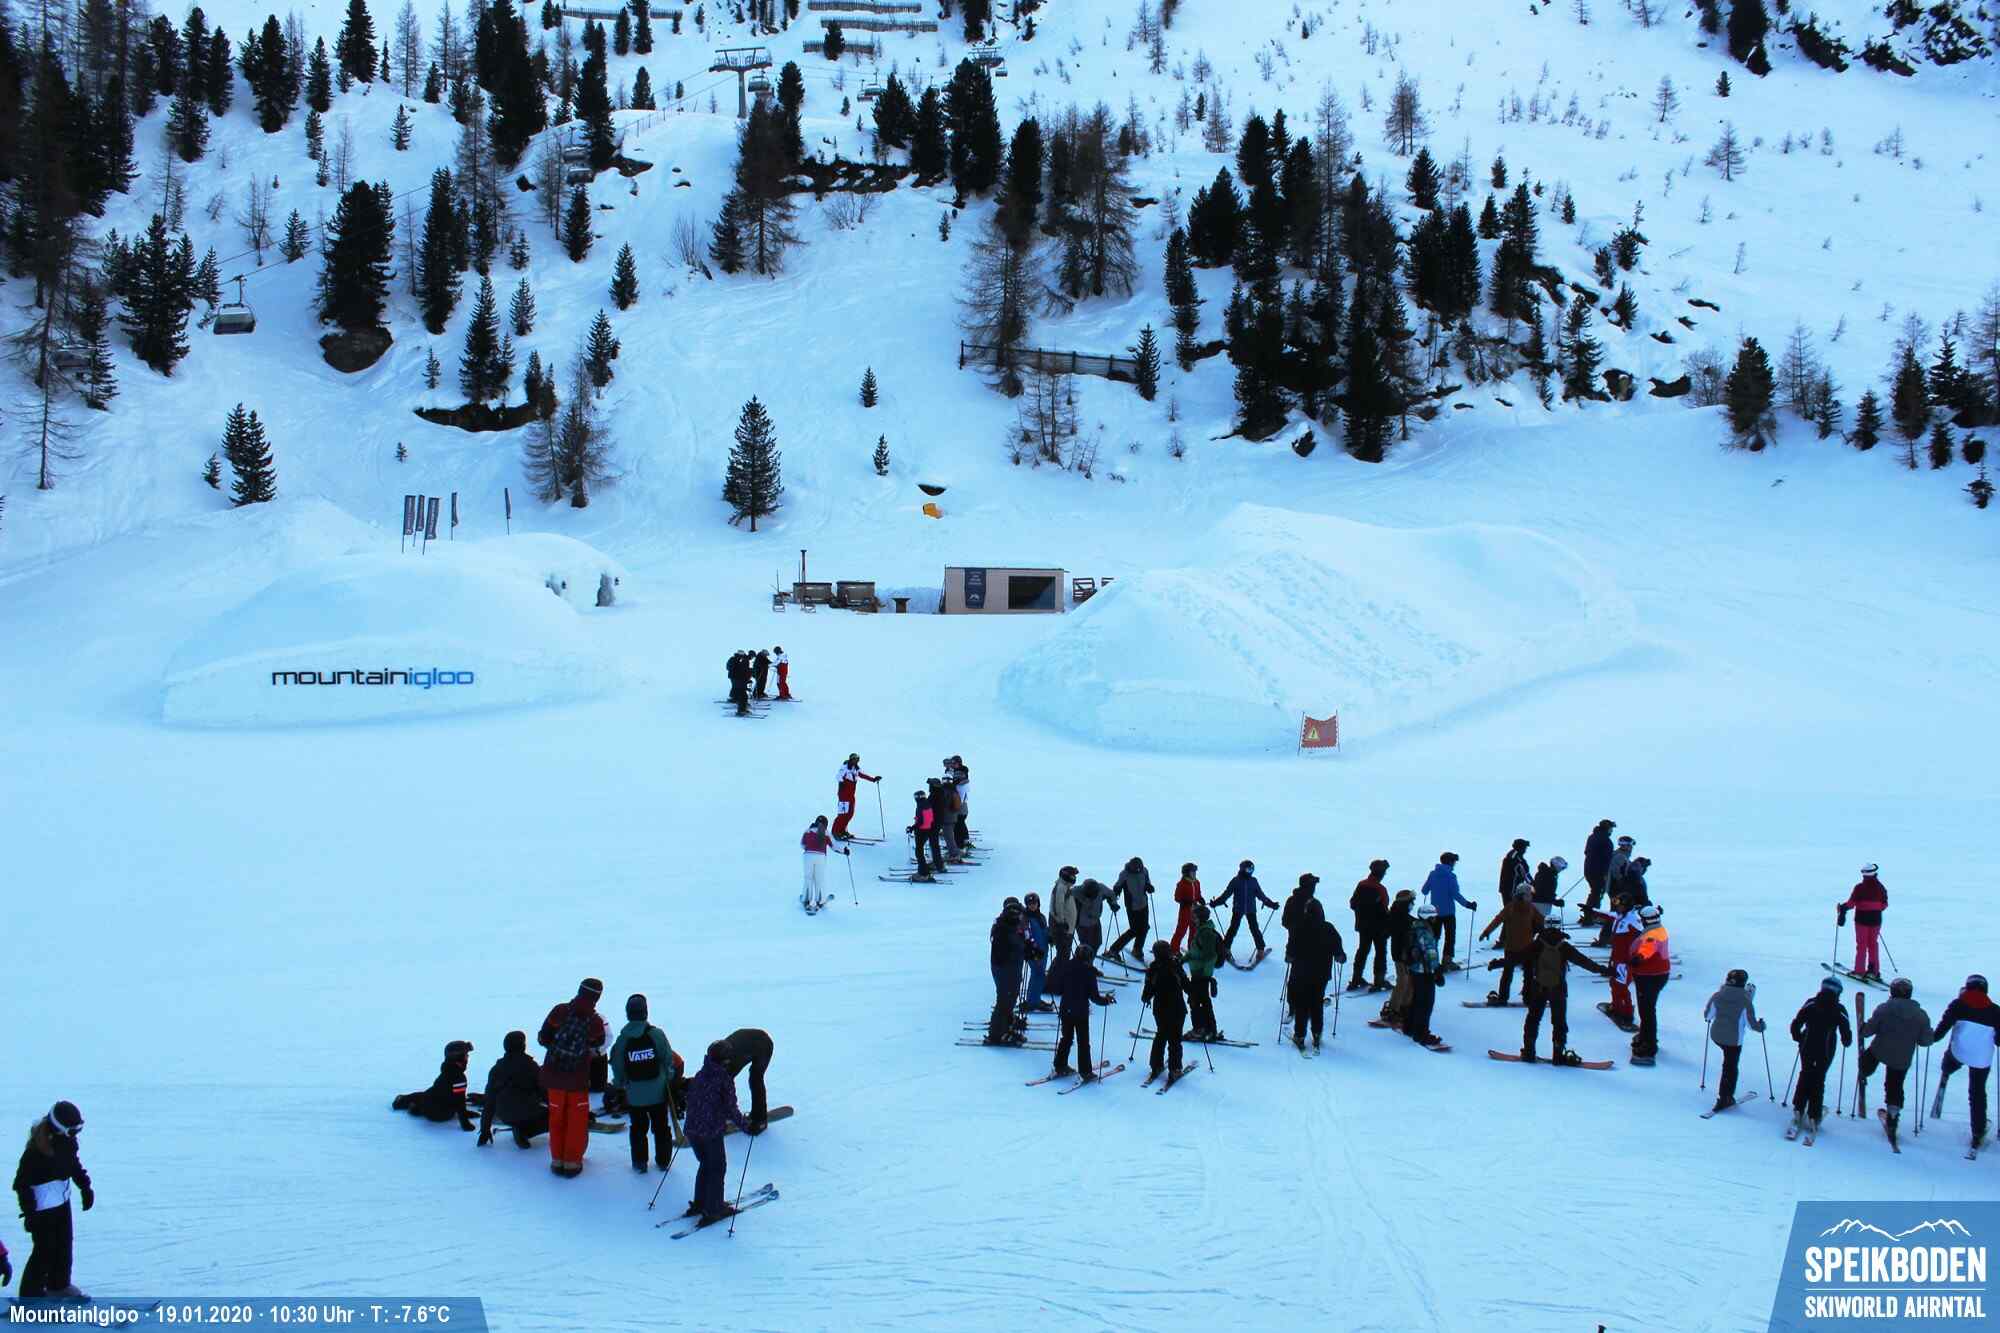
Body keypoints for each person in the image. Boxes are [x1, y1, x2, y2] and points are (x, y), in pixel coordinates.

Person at [12, 1102, 91, 1301]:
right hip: (42, 1210)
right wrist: (30, 1213)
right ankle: (30, 1296)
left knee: (64, 1246)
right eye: (72, 1131)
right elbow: (21, 1185)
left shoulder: (68, 1143)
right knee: (44, 1251)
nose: (75, 1135)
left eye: (78, 1130)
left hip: (62, 1204)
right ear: (58, 1128)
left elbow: (73, 1165)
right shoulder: (34, 1154)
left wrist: (85, 1186)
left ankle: (59, 1285)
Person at [538, 977, 608, 1177]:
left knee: (556, 1119)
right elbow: (599, 1044)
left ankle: (557, 1160)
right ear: (597, 998)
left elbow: (543, 1037)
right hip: (577, 1080)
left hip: (553, 1078)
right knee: (576, 1122)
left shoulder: (560, 1011)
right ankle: (571, 1163)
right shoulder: (595, 1021)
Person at [682, 1042, 755, 1225]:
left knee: (705, 1164)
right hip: (710, 1131)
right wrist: (746, 1126)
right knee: (716, 1167)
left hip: (692, 1129)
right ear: (725, 1060)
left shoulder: (700, 1074)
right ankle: (713, 1209)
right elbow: (731, 1109)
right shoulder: (723, 1079)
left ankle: (700, 1203)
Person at [610, 995, 682, 1173]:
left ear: (628, 1014)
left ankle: (640, 1162)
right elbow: (668, 1059)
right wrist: (667, 1078)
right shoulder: (656, 1034)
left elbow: (617, 1065)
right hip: (658, 1093)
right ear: (645, 1012)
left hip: (635, 1095)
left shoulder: (622, 1040)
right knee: (661, 1127)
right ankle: (663, 1160)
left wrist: (620, 1084)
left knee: (638, 1129)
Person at [1519, 925, 1610, 1063]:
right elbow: (1584, 961)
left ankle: (1529, 1052)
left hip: (1539, 987)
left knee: (1533, 1019)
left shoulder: (1537, 945)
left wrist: (1497, 963)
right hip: (1558, 988)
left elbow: (1517, 957)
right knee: (1559, 1022)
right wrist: (1603, 970)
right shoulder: (1564, 946)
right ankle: (1558, 1054)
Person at [1860, 977, 1932, 1143]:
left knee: (1867, 1060)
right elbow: (1925, 1041)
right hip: (1902, 1058)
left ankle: (1864, 1072)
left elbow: (1868, 1030)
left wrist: (1863, 1028)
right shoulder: (1921, 1015)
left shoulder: (1884, 1009)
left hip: (1880, 1050)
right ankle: (1893, 1114)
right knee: (1895, 1085)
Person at [1931, 974, 1997, 1150]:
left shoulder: (1958, 1004)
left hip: (1959, 1053)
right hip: (1982, 1059)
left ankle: (1946, 1071)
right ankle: (1978, 1131)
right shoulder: (1995, 1010)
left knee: (1951, 1059)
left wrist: (1930, 1037)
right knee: (1977, 1091)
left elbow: (1942, 1030)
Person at [1789, 977, 1853, 1138]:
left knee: (1805, 1073)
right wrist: (1846, 1040)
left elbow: (1796, 1022)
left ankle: (1798, 1107)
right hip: (1826, 1048)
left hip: (1807, 1045)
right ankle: (1813, 1114)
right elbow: (1846, 1033)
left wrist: (1798, 1037)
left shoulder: (1811, 1003)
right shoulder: (1839, 1009)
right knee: (1818, 1078)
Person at [1050, 943, 1116, 1080]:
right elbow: (1094, 997)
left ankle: (1060, 1065)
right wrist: (1106, 1001)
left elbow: (1058, 988)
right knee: (1083, 1042)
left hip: (1066, 1009)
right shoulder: (1089, 972)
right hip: (1080, 1012)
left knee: (1066, 1038)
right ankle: (1085, 1071)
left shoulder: (1067, 966)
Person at [1702, 969, 1766, 1112]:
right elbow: (1751, 1025)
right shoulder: (1745, 1001)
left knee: (1728, 1064)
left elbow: (1708, 1016)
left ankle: (1725, 1096)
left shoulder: (1717, 996)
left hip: (1716, 1036)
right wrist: (1761, 1026)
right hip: (1733, 1040)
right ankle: (1725, 1098)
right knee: (1730, 1067)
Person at [477, 1031, 549, 1148]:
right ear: (523, 1046)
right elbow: (544, 1093)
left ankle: (519, 1128)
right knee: (553, 1118)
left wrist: (485, 1130)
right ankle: (524, 1131)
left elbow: (489, 1101)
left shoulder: (496, 1069)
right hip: (528, 1112)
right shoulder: (531, 1066)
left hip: (504, 1114)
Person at [1288, 908, 1345, 1052]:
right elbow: (1338, 949)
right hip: (1321, 974)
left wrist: (1289, 957)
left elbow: (1291, 948)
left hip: (1301, 973)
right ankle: (1317, 1034)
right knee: (1316, 1003)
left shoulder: (1299, 926)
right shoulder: (1328, 928)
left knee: (1301, 1004)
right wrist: (1340, 956)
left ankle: (1299, 1035)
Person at [1478, 889, 1545, 1005]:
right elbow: (1498, 919)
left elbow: (1542, 920)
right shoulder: (1518, 908)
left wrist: (1486, 932)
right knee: (1520, 973)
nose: (1531, 897)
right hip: (1519, 947)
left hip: (1521, 947)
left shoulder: (1524, 907)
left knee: (1517, 973)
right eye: (1529, 895)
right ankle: (1522, 998)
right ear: (1523, 896)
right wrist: (1487, 932)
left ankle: (1512, 998)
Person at [392, 1041, 476, 1129]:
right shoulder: (458, 1077)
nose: (468, 1057)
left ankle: (412, 1105)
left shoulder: (448, 1070)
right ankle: (412, 1107)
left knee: (425, 1095)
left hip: (438, 1108)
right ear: (458, 1057)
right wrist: (465, 1123)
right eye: (466, 1055)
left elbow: (454, 1098)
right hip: (441, 1114)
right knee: (423, 1097)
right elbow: (459, 1101)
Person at [1211, 860, 1279, 963]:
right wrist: (1216, 902)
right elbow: (1226, 894)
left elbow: (1261, 895)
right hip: (1238, 909)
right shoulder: (1235, 881)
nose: (1250, 871)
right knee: (1233, 929)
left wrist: (1271, 904)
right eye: (1248, 869)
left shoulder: (1253, 881)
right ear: (1243, 869)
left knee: (1255, 929)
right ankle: (1225, 949)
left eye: (1252, 869)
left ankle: (1260, 950)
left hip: (1251, 910)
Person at [1627, 903, 1672, 1060]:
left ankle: (1649, 1045)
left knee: (1647, 1010)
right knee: (1647, 1009)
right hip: (1656, 974)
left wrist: (1638, 958)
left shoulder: (1652, 934)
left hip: (1649, 976)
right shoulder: (1658, 928)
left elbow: (1648, 947)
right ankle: (1645, 1036)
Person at [1142, 940, 1190, 1079]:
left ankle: (1156, 1065)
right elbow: (1186, 984)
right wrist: (1193, 995)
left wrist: (1146, 998)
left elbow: (1147, 992)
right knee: (1175, 1038)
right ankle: (1175, 1069)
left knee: (1161, 1035)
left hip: (1160, 1009)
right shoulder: (1175, 966)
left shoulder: (1153, 969)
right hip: (1177, 1007)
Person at [1420, 853, 1475, 973]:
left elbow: (1424, 890)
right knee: (1450, 938)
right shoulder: (1451, 876)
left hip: (1434, 913)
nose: (1454, 864)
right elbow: (1456, 895)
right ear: (1450, 862)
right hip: (1448, 912)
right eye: (1454, 862)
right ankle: (1447, 962)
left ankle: (1432, 962)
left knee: (1434, 938)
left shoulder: (1433, 874)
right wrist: (1468, 904)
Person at [717, 1028, 777, 1131]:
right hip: (748, 1043)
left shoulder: (731, 1061)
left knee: (756, 1079)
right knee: (723, 1083)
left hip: (764, 1045)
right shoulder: (718, 1056)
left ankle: (760, 1120)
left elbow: (728, 1091)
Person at [1837, 865, 1888, 981]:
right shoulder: (1881, 888)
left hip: (1861, 920)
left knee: (1862, 945)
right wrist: (1874, 909)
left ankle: (1859, 971)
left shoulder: (1859, 888)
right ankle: (1874, 971)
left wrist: (1842, 907)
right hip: (1876, 920)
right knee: (1873, 944)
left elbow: (1851, 904)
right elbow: (1884, 905)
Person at [987, 898, 1028, 1044]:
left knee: (1011, 998)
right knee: (1005, 999)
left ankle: (1006, 1025)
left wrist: (1028, 949)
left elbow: (1021, 943)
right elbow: (1003, 952)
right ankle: (996, 1034)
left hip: (1013, 968)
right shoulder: (1002, 929)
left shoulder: (1015, 926)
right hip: (1004, 969)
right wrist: (1021, 950)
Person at [1404, 904, 1445, 1047]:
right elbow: (1430, 952)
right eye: (1433, 917)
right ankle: (1421, 1033)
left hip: (1415, 969)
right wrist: (1437, 970)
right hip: (1424, 971)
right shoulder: (1425, 931)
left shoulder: (1415, 927)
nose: (1435, 919)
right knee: (1426, 1003)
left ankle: (1409, 1026)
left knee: (1417, 999)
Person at [1347, 860, 1392, 992]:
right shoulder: (1381, 889)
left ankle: (1356, 979)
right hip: (1379, 928)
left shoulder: (1361, 885)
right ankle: (1379, 981)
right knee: (1380, 953)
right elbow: (1385, 908)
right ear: (1381, 873)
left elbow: (1353, 903)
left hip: (1363, 926)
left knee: (1362, 951)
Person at [1185, 904, 1225, 1039]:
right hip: (1199, 973)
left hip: (1201, 974)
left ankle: (1200, 1030)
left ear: (1200, 918)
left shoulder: (1206, 933)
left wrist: (1204, 974)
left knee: (1196, 1002)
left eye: (1195, 916)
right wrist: (1183, 959)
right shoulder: (1201, 930)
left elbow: (1210, 956)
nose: (1193, 918)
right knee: (1202, 1001)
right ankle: (1209, 1029)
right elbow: (1195, 951)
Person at [1107, 857, 1156, 962]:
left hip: (1144, 904)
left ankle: (1137, 949)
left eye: (1139, 868)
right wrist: (1114, 897)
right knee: (1134, 930)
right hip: (1132, 906)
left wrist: (1149, 887)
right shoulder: (1124, 874)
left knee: (1144, 927)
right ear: (1131, 866)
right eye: (1135, 868)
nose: (1137, 870)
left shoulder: (1144, 871)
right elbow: (1117, 886)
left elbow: (1147, 882)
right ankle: (1113, 949)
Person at [1381, 889, 1418, 1026]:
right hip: (1401, 954)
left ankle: (1404, 1006)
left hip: (1405, 953)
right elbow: (1399, 930)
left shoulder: (1399, 914)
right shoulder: (1398, 916)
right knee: (1403, 981)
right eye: (1411, 902)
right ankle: (1394, 1009)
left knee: (1409, 980)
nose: (1413, 904)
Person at [1604, 893, 1639, 1026]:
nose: (1617, 907)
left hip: (1625, 962)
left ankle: (1627, 1013)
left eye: (1620, 905)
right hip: (1616, 958)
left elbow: (1642, 939)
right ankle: (1617, 1006)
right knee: (1614, 983)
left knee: (1621, 988)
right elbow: (1609, 915)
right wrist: (1591, 910)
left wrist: (1635, 957)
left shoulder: (1633, 921)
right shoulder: (1621, 916)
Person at [801, 815, 847, 910]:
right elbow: (834, 846)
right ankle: (820, 900)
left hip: (808, 856)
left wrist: (810, 848)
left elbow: (802, 844)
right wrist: (844, 851)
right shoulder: (826, 833)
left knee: (808, 878)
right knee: (819, 879)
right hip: (820, 857)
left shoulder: (808, 831)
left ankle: (806, 899)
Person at [832, 754, 879, 841]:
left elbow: (863, 775)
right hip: (843, 796)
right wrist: (842, 783)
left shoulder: (856, 769)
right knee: (842, 814)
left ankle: (843, 830)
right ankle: (835, 831)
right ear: (851, 759)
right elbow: (838, 776)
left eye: (857, 760)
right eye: (854, 760)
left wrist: (873, 779)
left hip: (851, 796)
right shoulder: (845, 768)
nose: (856, 761)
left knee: (850, 814)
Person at [1281, 873, 1322, 964]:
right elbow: (1321, 925)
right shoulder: (1315, 903)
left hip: (1293, 948)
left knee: (1296, 970)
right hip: (1312, 948)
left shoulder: (1291, 900)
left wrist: (1293, 929)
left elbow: (1284, 922)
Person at [1022, 892, 1053, 1011]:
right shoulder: (1025, 918)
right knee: (1038, 974)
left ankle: (1034, 998)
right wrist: (1033, 948)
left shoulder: (1041, 917)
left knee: (1038, 975)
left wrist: (1050, 937)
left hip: (1043, 950)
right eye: (1030, 903)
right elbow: (1026, 935)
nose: (1032, 905)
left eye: (1034, 903)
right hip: (1034, 952)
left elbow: (1045, 930)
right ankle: (1033, 1001)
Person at [1073, 876, 1115, 958]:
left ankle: (1089, 960)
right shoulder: (1076, 891)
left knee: (1097, 942)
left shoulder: (1101, 888)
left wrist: (1113, 903)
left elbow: (1111, 894)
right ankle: (1080, 962)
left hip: (1095, 921)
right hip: (1082, 923)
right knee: (1085, 946)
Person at [1582, 819, 1615, 917]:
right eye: (1611, 828)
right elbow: (1607, 858)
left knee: (1595, 892)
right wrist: (1604, 873)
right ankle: (1590, 915)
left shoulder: (1592, 837)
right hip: (1598, 871)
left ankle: (1590, 913)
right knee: (1597, 892)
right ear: (1607, 828)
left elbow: (1587, 852)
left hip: (1588, 869)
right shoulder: (1606, 840)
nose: (1612, 831)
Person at [1049, 866, 1080, 971]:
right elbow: (1058, 905)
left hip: (1066, 927)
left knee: (1064, 954)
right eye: (1073, 875)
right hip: (1062, 927)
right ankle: (1056, 974)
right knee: (1063, 954)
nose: (1074, 878)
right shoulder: (1061, 887)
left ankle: (1057, 973)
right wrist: (1062, 922)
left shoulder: (1065, 887)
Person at [931, 777, 964, 864]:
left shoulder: (945, 792)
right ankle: (954, 852)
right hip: (952, 817)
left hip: (946, 818)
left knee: (948, 837)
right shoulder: (953, 790)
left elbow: (943, 804)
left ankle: (954, 854)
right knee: (949, 836)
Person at [907, 790, 938, 883]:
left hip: (921, 831)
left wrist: (912, 828)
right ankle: (924, 871)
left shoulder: (921, 806)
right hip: (927, 829)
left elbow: (921, 821)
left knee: (919, 852)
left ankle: (923, 874)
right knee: (920, 851)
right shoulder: (927, 804)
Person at [1170, 863, 1202, 950]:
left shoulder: (1196, 882)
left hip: (1195, 911)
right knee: (1181, 930)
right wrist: (1185, 901)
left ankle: (1192, 948)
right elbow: (1177, 897)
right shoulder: (1182, 884)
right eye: (1192, 872)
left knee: (1194, 930)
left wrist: (1200, 899)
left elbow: (1198, 894)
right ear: (1187, 873)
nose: (1194, 873)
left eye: (1195, 872)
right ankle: (1174, 949)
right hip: (1185, 911)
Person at [1530, 856, 1566, 925]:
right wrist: (1555, 901)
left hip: (1541, 904)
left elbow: (1546, 892)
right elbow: (1541, 893)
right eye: (1561, 868)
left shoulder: (1548, 874)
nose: (1561, 870)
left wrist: (1554, 900)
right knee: (1538, 924)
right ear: (1557, 866)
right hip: (1540, 904)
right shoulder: (1548, 875)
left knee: (1537, 923)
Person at [946, 756, 972, 849]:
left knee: (958, 825)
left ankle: (959, 845)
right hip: (962, 807)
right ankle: (964, 840)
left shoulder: (961, 785)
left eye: (954, 763)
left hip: (960, 807)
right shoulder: (960, 783)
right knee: (960, 824)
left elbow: (959, 797)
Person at [1498, 838, 1532, 905]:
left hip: (1508, 889)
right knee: (1512, 908)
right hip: (1511, 889)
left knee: (1510, 908)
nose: (1525, 850)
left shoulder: (1514, 857)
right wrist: (1533, 885)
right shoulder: (1515, 858)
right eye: (1524, 848)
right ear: (1520, 848)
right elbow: (1525, 874)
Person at [726, 651, 752, 716]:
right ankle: (741, 710)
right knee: (742, 694)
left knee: (742, 694)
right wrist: (748, 675)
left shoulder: (737, 659)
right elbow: (741, 670)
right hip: (738, 679)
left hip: (738, 678)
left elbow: (743, 670)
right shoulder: (737, 660)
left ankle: (742, 708)